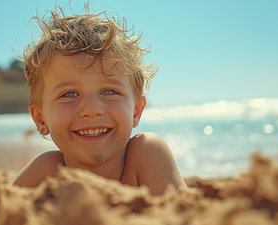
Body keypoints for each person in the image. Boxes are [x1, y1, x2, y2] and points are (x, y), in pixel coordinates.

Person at [12, 6, 186, 195]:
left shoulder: (147, 153)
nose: (92, 109)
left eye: (109, 91)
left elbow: (186, 217)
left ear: (136, 111)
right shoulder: (46, 172)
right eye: (69, 94)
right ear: (40, 120)